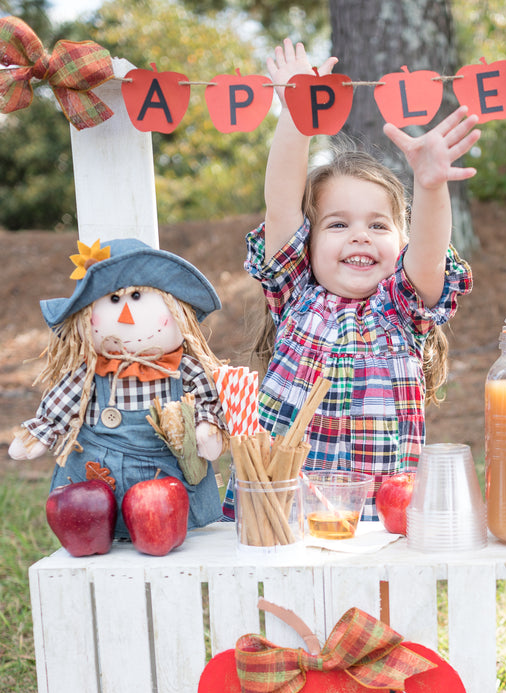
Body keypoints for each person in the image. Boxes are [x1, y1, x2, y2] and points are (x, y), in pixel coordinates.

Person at [224, 38, 480, 521]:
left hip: (378, 518)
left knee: (375, 598)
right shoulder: (296, 292)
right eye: (337, 224)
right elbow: (281, 199)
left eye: (378, 225)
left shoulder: (399, 308)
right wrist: (297, 109)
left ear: (400, 242)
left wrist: (429, 185)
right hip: (283, 511)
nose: (359, 237)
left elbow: (429, 255)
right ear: (309, 242)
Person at [9, 238, 228, 537]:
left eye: (137, 296)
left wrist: (206, 429)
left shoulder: (182, 370)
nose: (126, 315)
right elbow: (60, 408)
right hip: (96, 486)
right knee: (97, 524)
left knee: (165, 528)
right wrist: (41, 433)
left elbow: (207, 404)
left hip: (165, 482)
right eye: (114, 300)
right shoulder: (90, 374)